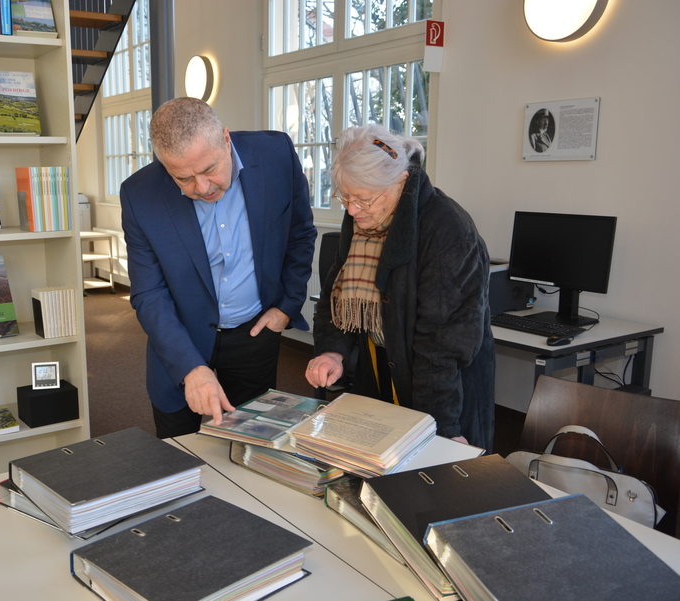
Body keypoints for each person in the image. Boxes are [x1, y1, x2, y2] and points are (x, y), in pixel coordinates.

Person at [120, 97, 316, 439]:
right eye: (184, 179)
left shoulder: (276, 154)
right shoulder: (140, 195)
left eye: (210, 170)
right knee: (177, 461)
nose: (203, 188)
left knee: (253, 448)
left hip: (255, 333)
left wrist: (287, 306)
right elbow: (149, 294)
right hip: (181, 343)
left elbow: (300, 234)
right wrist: (190, 367)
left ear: (226, 139)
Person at [305, 124, 496, 450]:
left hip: (443, 389)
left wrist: (441, 426)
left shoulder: (447, 230)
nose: (351, 210)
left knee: (437, 488)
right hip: (380, 373)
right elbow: (335, 294)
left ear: (401, 182)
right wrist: (332, 351)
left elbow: (442, 345)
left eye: (362, 199)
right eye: (345, 198)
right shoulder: (363, 217)